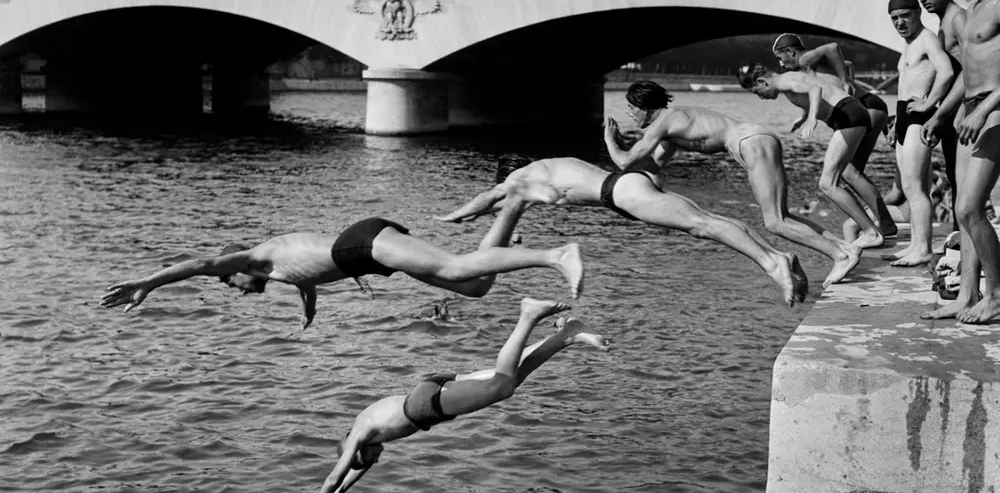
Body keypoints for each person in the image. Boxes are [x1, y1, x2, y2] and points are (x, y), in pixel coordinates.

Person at [99, 209, 584, 329]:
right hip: (363, 253)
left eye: (232, 284)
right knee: (474, 286)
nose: (237, 289)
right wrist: (308, 311)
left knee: (457, 270)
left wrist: (148, 284)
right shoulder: (276, 270)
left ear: (238, 266)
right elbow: (308, 278)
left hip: (361, 245)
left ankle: (555, 255)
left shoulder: (254, 257)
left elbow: (200, 265)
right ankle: (512, 207)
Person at [319, 297, 609, 493]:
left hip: (425, 404)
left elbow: (334, 478)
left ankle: (528, 315)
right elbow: (347, 481)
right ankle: (568, 335)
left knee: (503, 385)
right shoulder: (364, 432)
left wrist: (332, 488)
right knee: (511, 377)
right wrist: (345, 488)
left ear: (353, 451)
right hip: (430, 388)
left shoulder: (360, 435)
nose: (375, 459)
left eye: (367, 457)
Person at [435, 154, 807, 307]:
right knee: (707, 219)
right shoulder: (545, 168)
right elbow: (499, 203)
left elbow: (490, 197)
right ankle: (779, 256)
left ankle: (771, 265)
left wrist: (453, 216)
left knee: (703, 226)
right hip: (627, 183)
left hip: (623, 194)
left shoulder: (519, 178)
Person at [603, 80, 860, 287]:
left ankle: (839, 257)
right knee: (783, 216)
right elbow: (649, 168)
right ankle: (844, 247)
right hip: (757, 138)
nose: (629, 113)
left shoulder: (661, 124)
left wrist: (609, 140)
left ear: (644, 107)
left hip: (749, 143)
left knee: (775, 223)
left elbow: (625, 162)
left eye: (631, 107)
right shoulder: (672, 124)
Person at [921, 0, 1000, 323]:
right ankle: (967, 295)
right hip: (971, 113)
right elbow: (966, 78)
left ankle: (996, 295)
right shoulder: (969, 15)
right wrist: (940, 115)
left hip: (993, 113)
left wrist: (984, 111)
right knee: (961, 209)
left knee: (970, 208)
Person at [737, 63, 885, 249]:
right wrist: (803, 115)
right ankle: (876, 227)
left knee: (827, 184)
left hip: (848, 116)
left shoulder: (784, 82)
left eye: (757, 92)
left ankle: (871, 232)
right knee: (840, 177)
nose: (761, 97)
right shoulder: (790, 78)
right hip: (852, 113)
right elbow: (812, 89)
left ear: (762, 81)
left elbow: (815, 89)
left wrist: (811, 119)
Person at [772, 33, 897, 238]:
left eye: (781, 57)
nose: (781, 63)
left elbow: (832, 47)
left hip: (866, 108)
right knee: (851, 172)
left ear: (790, 51)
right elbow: (845, 64)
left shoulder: (805, 58)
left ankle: (885, 223)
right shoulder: (808, 67)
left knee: (849, 173)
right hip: (872, 106)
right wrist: (805, 115)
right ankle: (884, 222)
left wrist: (846, 81)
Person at [885, 0, 955, 266]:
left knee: (914, 188)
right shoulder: (909, 44)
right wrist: (894, 123)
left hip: (917, 118)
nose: (900, 23)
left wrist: (929, 103)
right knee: (911, 184)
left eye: (904, 16)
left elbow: (946, 71)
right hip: (904, 117)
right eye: (894, 19)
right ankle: (915, 244)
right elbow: (905, 85)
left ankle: (924, 248)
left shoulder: (927, 39)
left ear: (918, 13)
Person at [916, 0, 966, 236]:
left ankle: (967, 245)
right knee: (954, 178)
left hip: (961, 113)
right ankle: (961, 240)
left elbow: (970, 71)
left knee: (963, 182)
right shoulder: (943, 24)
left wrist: (939, 113)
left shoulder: (958, 20)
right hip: (951, 113)